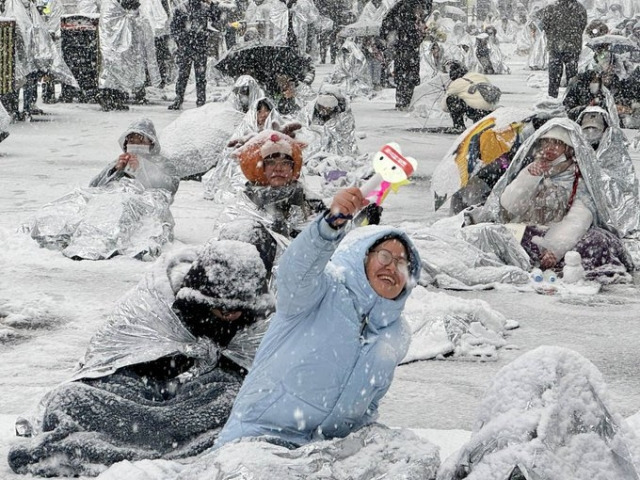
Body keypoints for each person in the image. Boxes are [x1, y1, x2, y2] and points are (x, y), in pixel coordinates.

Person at [7, 239, 274, 476]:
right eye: (220, 308)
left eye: (235, 310)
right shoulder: (156, 303)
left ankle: (151, 437)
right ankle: (165, 438)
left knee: (237, 399)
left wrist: (209, 364)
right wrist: (178, 359)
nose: (228, 316)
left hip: (200, 397)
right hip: (137, 388)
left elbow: (257, 371)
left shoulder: (260, 319)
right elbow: (113, 359)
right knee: (68, 399)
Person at [216, 186, 422, 448]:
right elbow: (297, 268)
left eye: (403, 263)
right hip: (258, 439)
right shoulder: (321, 290)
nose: (392, 267)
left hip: (324, 453)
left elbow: (370, 402)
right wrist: (331, 224)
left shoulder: (395, 333)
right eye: (384, 256)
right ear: (363, 257)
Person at [466, 119, 634, 280]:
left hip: (562, 236)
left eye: (557, 143)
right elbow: (510, 207)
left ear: (569, 149)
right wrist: (528, 178)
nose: (549, 148)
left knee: (597, 243)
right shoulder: (532, 169)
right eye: (546, 143)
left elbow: (579, 218)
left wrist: (554, 247)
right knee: (489, 233)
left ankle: (554, 265)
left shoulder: (579, 179)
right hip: (529, 232)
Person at [233, 129, 326, 237]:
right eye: (271, 163)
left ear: (293, 168)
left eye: (285, 163)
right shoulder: (246, 203)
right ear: (262, 168)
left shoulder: (311, 202)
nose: (278, 169)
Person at [90, 118, 180, 198]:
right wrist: (115, 170)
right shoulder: (120, 162)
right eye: (131, 141)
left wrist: (142, 169)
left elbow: (170, 188)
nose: (135, 146)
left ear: (151, 143)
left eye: (141, 141)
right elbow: (93, 187)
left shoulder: (163, 163)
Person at [168, 0, 222, 110]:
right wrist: (182, 37)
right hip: (186, 46)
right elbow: (174, 29)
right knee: (183, 74)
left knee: (200, 76)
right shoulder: (181, 8)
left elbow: (216, 19)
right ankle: (179, 98)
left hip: (200, 46)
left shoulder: (205, 8)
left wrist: (212, 6)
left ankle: (201, 100)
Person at [379, 0, 432, 110]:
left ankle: (402, 101)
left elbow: (386, 27)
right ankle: (405, 101)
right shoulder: (407, 17)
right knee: (408, 77)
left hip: (403, 51)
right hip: (407, 51)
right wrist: (420, 35)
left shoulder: (399, 12)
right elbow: (412, 38)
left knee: (404, 77)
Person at [539, 0, 587, 98]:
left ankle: (553, 96)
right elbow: (582, 25)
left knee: (554, 75)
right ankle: (571, 97)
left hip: (556, 46)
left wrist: (553, 35)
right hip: (572, 46)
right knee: (572, 75)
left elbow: (544, 25)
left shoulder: (550, 8)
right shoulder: (579, 8)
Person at [442, 60, 500, 133]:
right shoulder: (479, 76)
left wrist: (447, 92)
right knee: (473, 100)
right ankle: (479, 122)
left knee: (452, 99)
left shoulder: (457, 83)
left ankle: (459, 126)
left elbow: (444, 108)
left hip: (474, 111)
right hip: (489, 111)